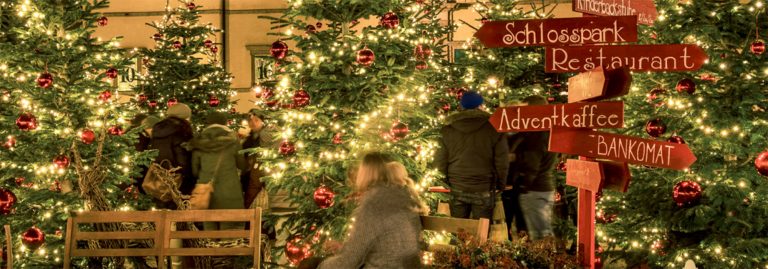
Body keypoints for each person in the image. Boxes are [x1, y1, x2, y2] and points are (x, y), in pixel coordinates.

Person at [312, 153, 426, 269]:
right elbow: (385, 245)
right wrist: (343, 248)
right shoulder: (404, 197)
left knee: (311, 264)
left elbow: (349, 261)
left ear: (364, 174)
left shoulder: (373, 204)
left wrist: (320, 266)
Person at [434, 91, 509, 219]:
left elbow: (440, 159)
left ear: (462, 106)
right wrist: (501, 184)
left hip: (456, 185)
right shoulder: (493, 128)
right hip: (484, 185)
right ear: (480, 106)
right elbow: (501, 160)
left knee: (458, 230)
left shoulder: (447, 129)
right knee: (482, 232)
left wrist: (445, 182)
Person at [509, 95, 558, 241]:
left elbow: (532, 163)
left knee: (540, 236)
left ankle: (547, 263)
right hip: (544, 187)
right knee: (541, 232)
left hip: (534, 190)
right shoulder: (548, 131)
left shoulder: (536, 135)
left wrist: (524, 185)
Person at [188, 111, 247, 230]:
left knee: (209, 233)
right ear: (225, 123)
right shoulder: (233, 141)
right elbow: (242, 165)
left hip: (206, 195)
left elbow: (195, 170)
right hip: (230, 193)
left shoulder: (199, 142)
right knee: (230, 232)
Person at [150, 103, 195, 208]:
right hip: (177, 179)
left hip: (158, 177)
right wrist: (188, 175)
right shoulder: (182, 130)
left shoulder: (157, 129)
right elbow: (182, 157)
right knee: (178, 210)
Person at [241, 109, 273, 208]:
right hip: (250, 176)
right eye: (251, 121)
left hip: (259, 177)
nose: (253, 123)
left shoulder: (265, 136)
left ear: (262, 121)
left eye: (256, 120)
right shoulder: (249, 138)